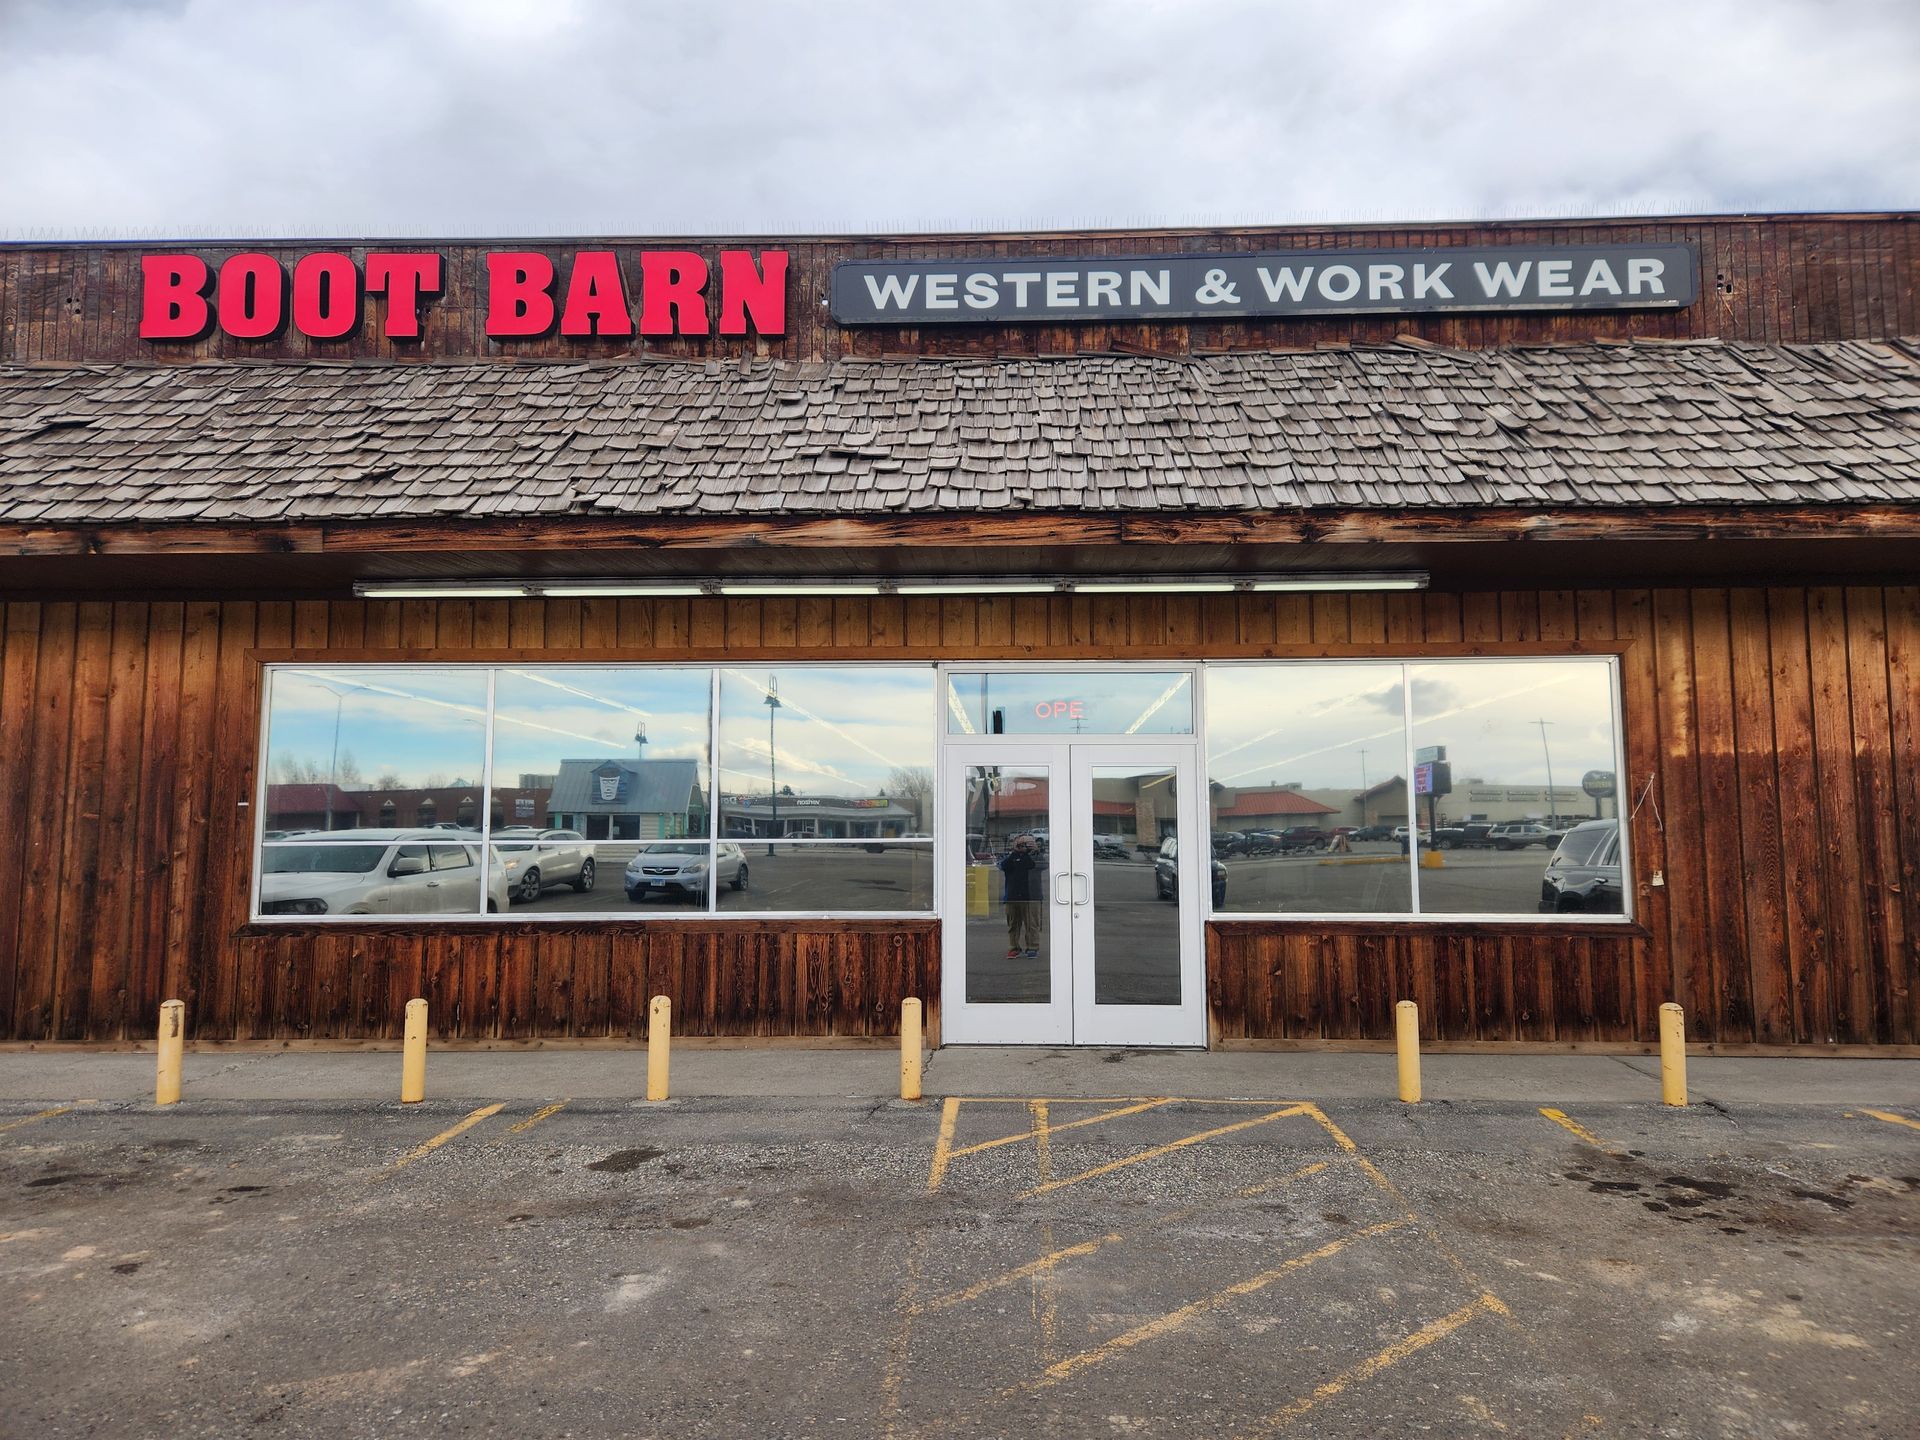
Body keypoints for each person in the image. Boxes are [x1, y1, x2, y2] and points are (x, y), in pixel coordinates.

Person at [999, 833, 1044, 960]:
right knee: (1013, 924)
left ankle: (1032, 947)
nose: (1024, 846)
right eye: (1021, 843)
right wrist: (1015, 852)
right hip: (1013, 896)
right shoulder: (1011, 857)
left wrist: (1034, 851)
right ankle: (1014, 948)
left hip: (1032, 895)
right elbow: (1002, 866)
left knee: (1032, 924)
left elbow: (1039, 866)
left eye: (1028, 843)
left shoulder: (1037, 856)